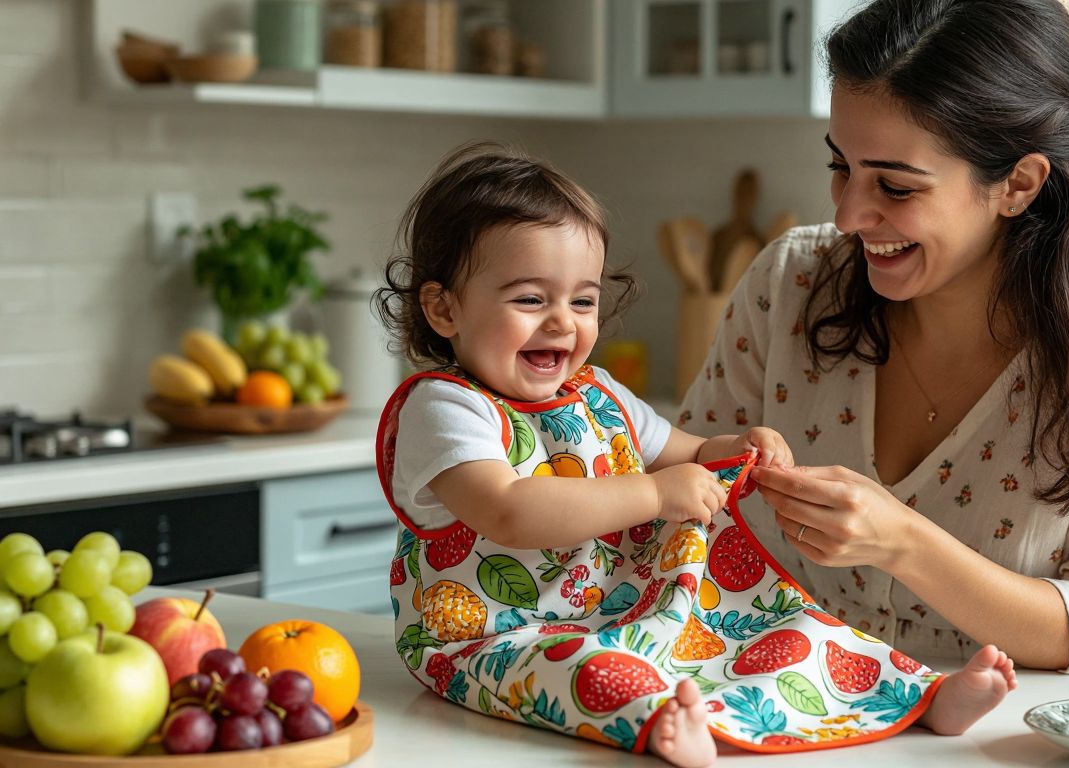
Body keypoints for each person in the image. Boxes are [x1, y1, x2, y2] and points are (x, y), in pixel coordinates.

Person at [373, 143, 1018, 768]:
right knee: (585, 671)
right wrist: (656, 496)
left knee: (782, 626)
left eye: (583, 300)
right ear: (444, 308)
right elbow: (510, 511)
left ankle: (919, 697)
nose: (563, 323)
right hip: (492, 638)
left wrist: (735, 448)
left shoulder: (596, 392)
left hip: (622, 612)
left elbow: (680, 449)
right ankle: (661, 723)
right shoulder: (446, 408)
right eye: (530, 299)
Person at [680, 0, 1069, 675]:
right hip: (778, 717)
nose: (849, 214)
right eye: (841, 168)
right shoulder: (792, 285)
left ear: (1018, 183)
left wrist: (903, 543)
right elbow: (683, 508)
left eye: (894, 184)